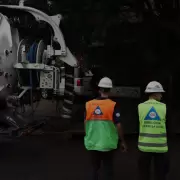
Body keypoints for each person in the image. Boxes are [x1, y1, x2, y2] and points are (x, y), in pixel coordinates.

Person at [84, 77, 127, 180]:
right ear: (110, 90)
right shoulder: (113, 105)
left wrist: (88, 135)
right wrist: (122, 141)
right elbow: (118, 125)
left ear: (99, 90)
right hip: (108, 143)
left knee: (94, 169)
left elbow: (85, 122)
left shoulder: (89, 104)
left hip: (93, 142)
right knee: (108, 169)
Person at [138, 81, 169, 180]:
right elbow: (169, 126)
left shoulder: (140, 107)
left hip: (144, 147)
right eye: (160, 93)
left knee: (144, 174)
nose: (161, 96)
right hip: (160, 147)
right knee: (160, 175)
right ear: (155, 94)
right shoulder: (164, 107)